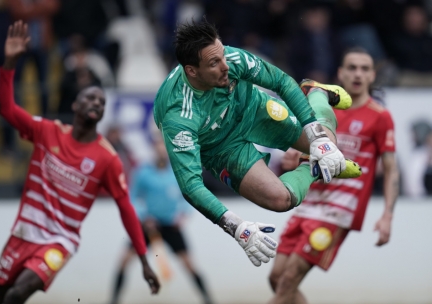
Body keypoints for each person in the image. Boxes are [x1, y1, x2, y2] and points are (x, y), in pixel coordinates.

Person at [153, 19, 361, 268]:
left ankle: (316, 93)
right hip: (221, 149)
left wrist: (318, 139)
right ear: (192, 71)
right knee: (281, 200)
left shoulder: (230, 59)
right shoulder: (178, 116)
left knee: (328, 143)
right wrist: (237, 227)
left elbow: (281, 82)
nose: (225, 66)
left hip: (253, 108)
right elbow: (189, 185)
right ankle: (311, 165)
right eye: (214, 63)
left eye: (222, 54)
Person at [0, 20, 160, 304]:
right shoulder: (47, 131)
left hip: (60, 241)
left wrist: (143, 258)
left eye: (102, 102)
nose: (97, 103)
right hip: (23, 232)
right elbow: (5, 108)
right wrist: (9, 64)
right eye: (90, 98)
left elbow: (125, 206)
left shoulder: (107, 157)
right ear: (75, 105)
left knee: (18, 294)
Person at [267, 47, 399, 304]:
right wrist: (295, 157)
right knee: (276, 278)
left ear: (372, 75)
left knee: (288, 281)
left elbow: (392, 168)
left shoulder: (380, 117)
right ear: (340, 73)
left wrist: (387, 216)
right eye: (352, 67)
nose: (358, 74)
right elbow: (304, 152)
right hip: (309, 204)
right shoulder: (324, 111)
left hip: (339, 210)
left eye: (364, 69)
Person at [110, 137, 214, 304]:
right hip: (148, 225)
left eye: (164, 148)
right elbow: (132, 197)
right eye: (158, 148)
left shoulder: (178, 171)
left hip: (171, 226)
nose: (161, 151)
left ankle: (209, 300)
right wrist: (144, 216)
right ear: (153, 150)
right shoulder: (143, 172)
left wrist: (183, 215)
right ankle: (113, 300)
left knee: (190, 265)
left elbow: (190, 193)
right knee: (123, 261)